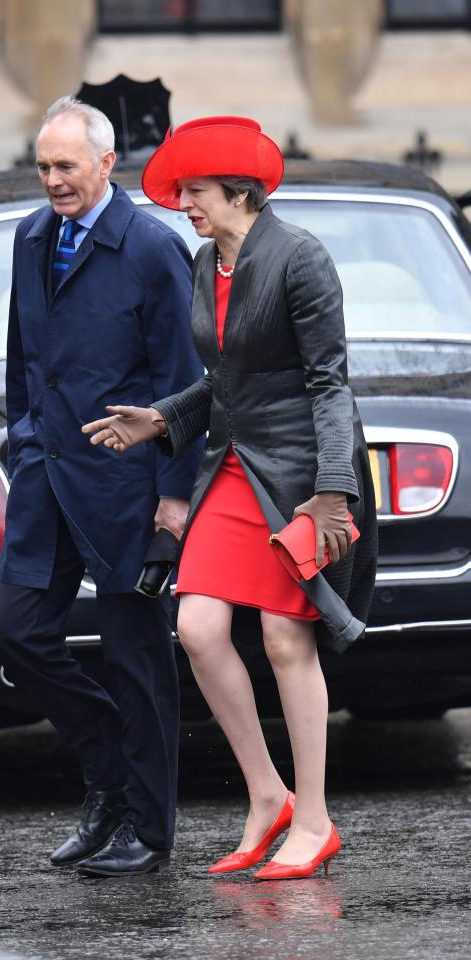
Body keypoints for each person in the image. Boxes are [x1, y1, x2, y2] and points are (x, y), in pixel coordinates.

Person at [82, 116, 377, 881]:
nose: (184, 203)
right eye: (181, 192)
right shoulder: (205, 260)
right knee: (200, 627)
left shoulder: (300, 260)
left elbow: (328, 385)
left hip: (303, 473)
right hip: (233, 465)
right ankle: (266, 795)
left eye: (196, 191)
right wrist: (162, 420)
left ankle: (312, 820)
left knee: (286, 638)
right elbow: (223, 381)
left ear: (238, 190)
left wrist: (333, 495)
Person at [0, 97, 203, 878]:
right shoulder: (29, 237)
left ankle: (148, 830)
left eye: (66, 166)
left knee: (136, 661)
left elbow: (187, 384)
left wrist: (174, 498)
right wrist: (23, 443)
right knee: (17, 633)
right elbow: (23, 359)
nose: (53, 181)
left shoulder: (152, 248)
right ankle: (111, 769)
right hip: (47, 476)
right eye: (44, 166)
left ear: (107, 164)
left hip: (128, 487)